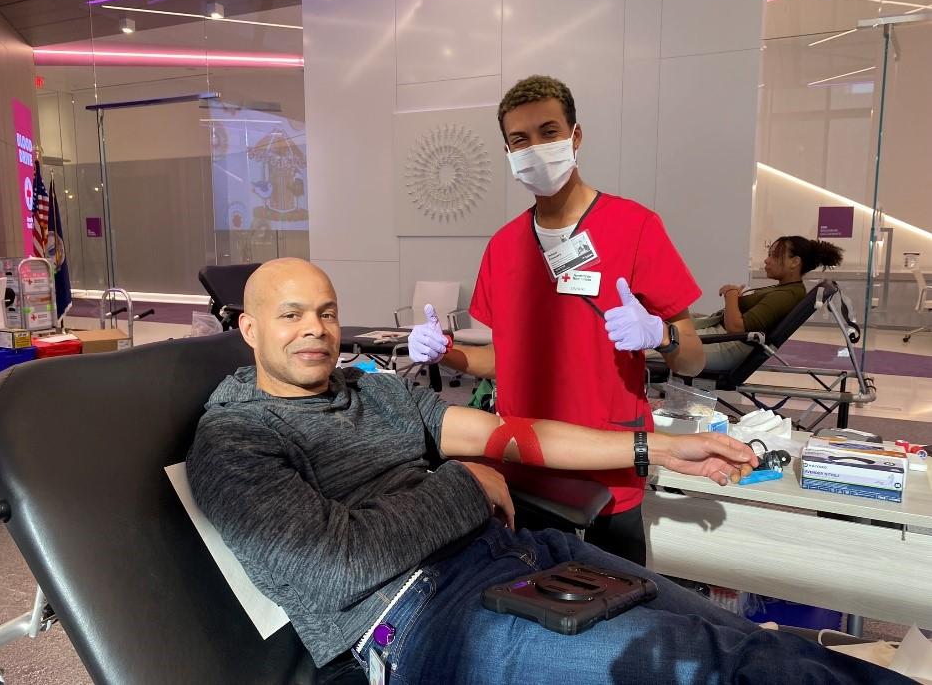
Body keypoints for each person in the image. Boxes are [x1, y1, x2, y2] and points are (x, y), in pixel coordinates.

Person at [187, 258, 907, 685]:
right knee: (717, 667)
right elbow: (334, 565)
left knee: (755, 647)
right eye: (288, 316)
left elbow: (506, 434)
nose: (313, 328)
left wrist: (650, 448)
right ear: (247, 329)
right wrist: (466, 484)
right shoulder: (236, 437)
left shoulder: (370, 389)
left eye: (325, 311)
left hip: (528, 557)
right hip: (418, 619)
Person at [407, 75, 706, 565]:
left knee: (619, 610)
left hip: (609, 463)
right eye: (520, 140)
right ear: (508, 153)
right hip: (523, 463)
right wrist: (447, 351)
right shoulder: (504, 247)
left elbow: (693, 360)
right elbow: (505, 361)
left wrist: (662, 335)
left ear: (575, 136)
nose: (536, 148)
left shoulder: (635, 228)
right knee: (532, 606)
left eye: (549, 132)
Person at [683, 236, 843, 370]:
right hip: (720, 338)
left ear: (794, 262)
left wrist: (731, 294)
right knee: (668, 321)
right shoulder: (786, 289)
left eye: (774, 255)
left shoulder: (787, 295)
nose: (767, 260)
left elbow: (736, 328)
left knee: (660, 342)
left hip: (725, 344)